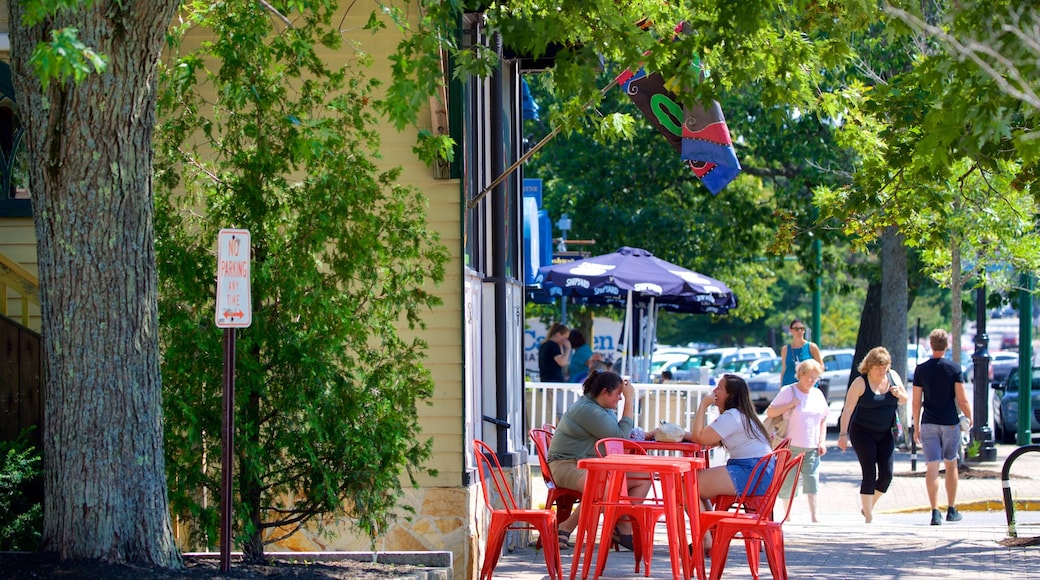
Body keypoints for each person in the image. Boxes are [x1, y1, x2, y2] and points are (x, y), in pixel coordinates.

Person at [665, 374, 774, 551]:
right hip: (758, 472)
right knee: (694, 486)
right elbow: (708, 437)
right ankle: (709, 534)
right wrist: (681, 434)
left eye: (719, 388)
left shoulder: (732, 416)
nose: (715, 391)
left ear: (730, 395)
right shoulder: (739, 415)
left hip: (751, 471)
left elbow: (702, 438)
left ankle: (706, 539)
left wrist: (702, 406)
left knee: (686, 486)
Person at [548, 370, 647, 550]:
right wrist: (630, 400)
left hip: (588, 466)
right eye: (618, 395)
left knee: (644, 476)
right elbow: (619, 437)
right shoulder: (587, 410)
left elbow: (618, 434)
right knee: (603, 485)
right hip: (566, 466)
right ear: (604, 392)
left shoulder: (602, 408)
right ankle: (566, 527)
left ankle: (622, 526)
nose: (620, 398)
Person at [837, 346, 909, 523]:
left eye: (884, 367)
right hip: (862, 432)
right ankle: (869, 517)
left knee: (886, 475)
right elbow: (847, 410)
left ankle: (868, 505)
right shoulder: (860, 383)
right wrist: (842, 434)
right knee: (869, 472)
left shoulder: (893, 377)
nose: (881, 371)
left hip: (885, 433)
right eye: (878, 368)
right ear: (869, 366)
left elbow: (905, 399)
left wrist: (898, 393)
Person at [912, 328, 972, 525]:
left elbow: (916, 401)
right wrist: (970, 417)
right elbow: (962, 399)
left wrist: (916, 426)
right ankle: (952, 509)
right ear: (947, 345)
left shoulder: (921, 369)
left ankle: (934, 511)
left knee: (932, 466)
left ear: (930, 345)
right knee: (951, 464)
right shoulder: (954, 369)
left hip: (928, 421)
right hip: (950, 422)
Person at [765, 359, 828, 522]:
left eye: (815, 378)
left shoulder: (818, 394)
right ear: (800, 375)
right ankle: (788, 515)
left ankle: (815, 516)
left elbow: (823, 420)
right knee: (788, 481)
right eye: (809, 377)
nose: (812, 381)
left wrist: (822, 441)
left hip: (812, 446)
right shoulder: (789, 391)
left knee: (812, 480)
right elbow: (770, 412)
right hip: (790, 445)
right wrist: (790, 404)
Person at [778, 319, 823, 392]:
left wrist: (813, 379)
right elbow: (784, 370)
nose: (799, 331)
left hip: (807, 387)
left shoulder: (812, 347)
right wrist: (781, 387)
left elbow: (821, 367)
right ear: (791, 331)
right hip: (789, 386)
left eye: (802, 329)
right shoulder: (785, 349)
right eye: (796, 329)